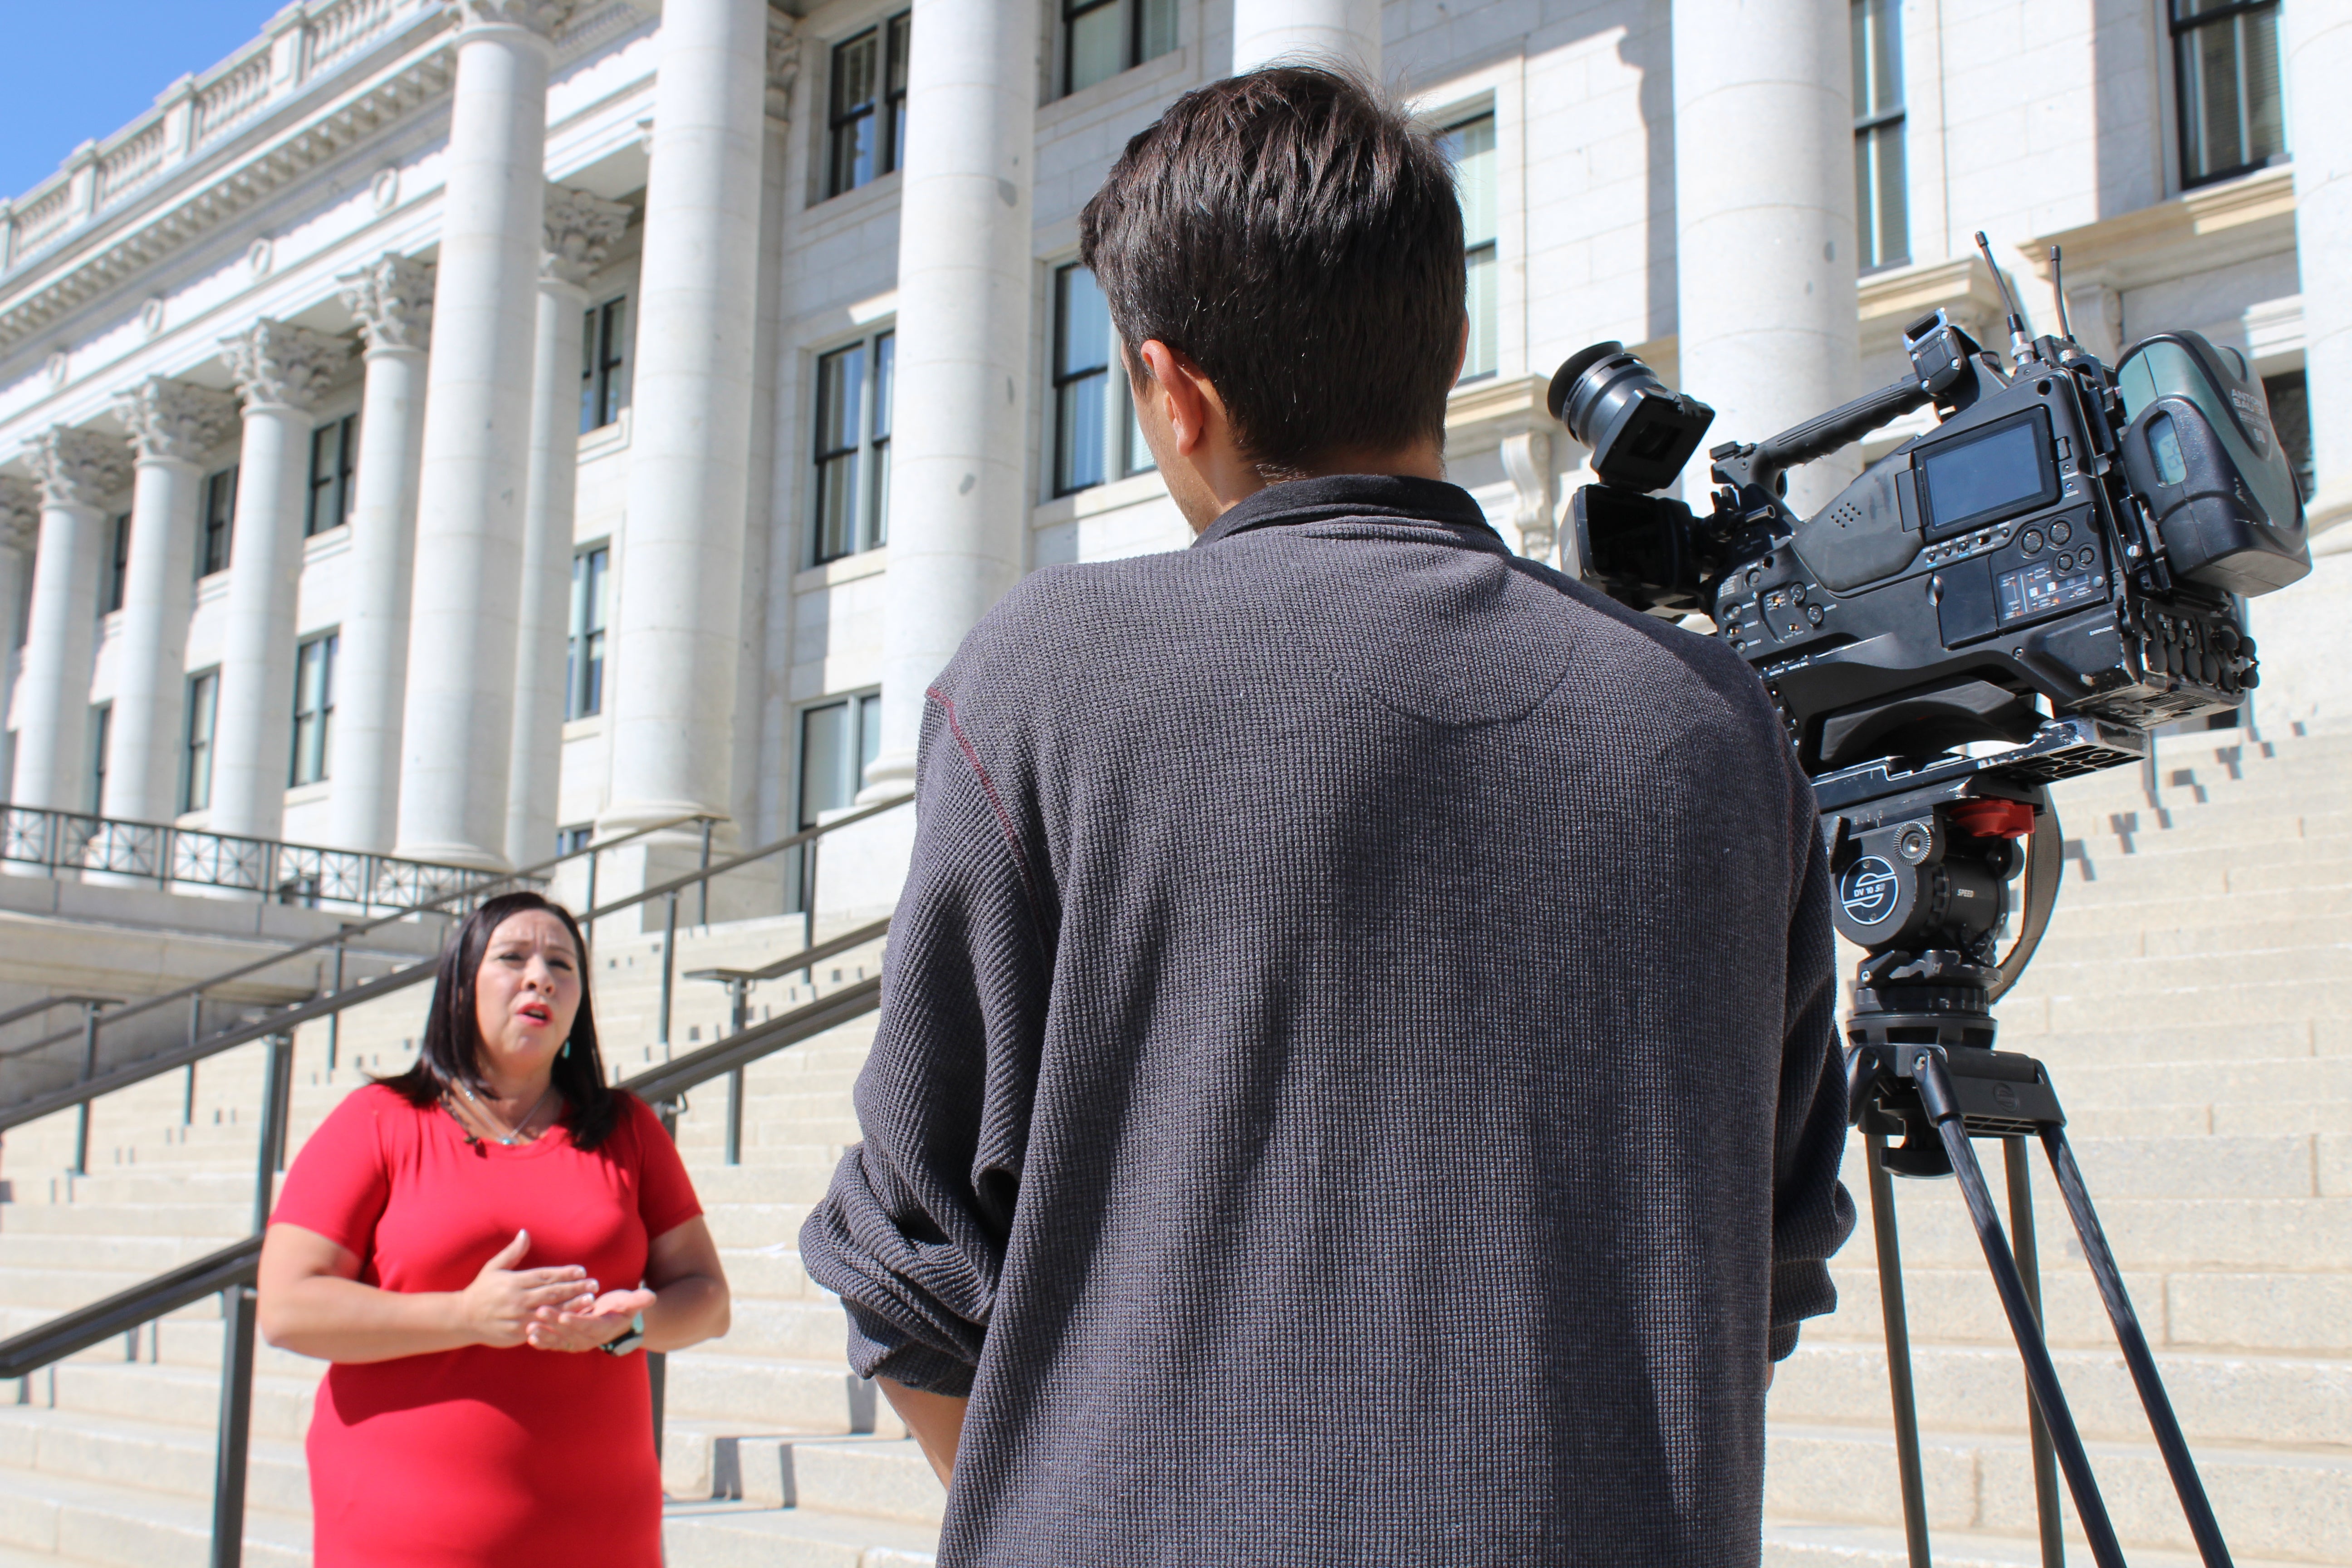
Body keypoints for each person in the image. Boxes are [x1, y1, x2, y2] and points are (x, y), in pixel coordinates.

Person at [800, 66, 1853, 1567]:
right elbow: (1766, 1249)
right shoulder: (1712, 720)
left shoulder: (1050, 672)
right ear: (1453, 339)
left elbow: (908, 1266)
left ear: (1172, 393)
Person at [257, 891, 728, 1566]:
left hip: (600, 1533)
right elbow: (287, 1308)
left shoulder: (628, 1129)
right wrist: (465, 1315)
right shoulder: (378, 1121)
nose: (540, 977)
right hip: (404, 1534)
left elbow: (709, 1299)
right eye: (513, 958)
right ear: (460, 987)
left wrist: (629, 1327)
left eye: (562, 965)